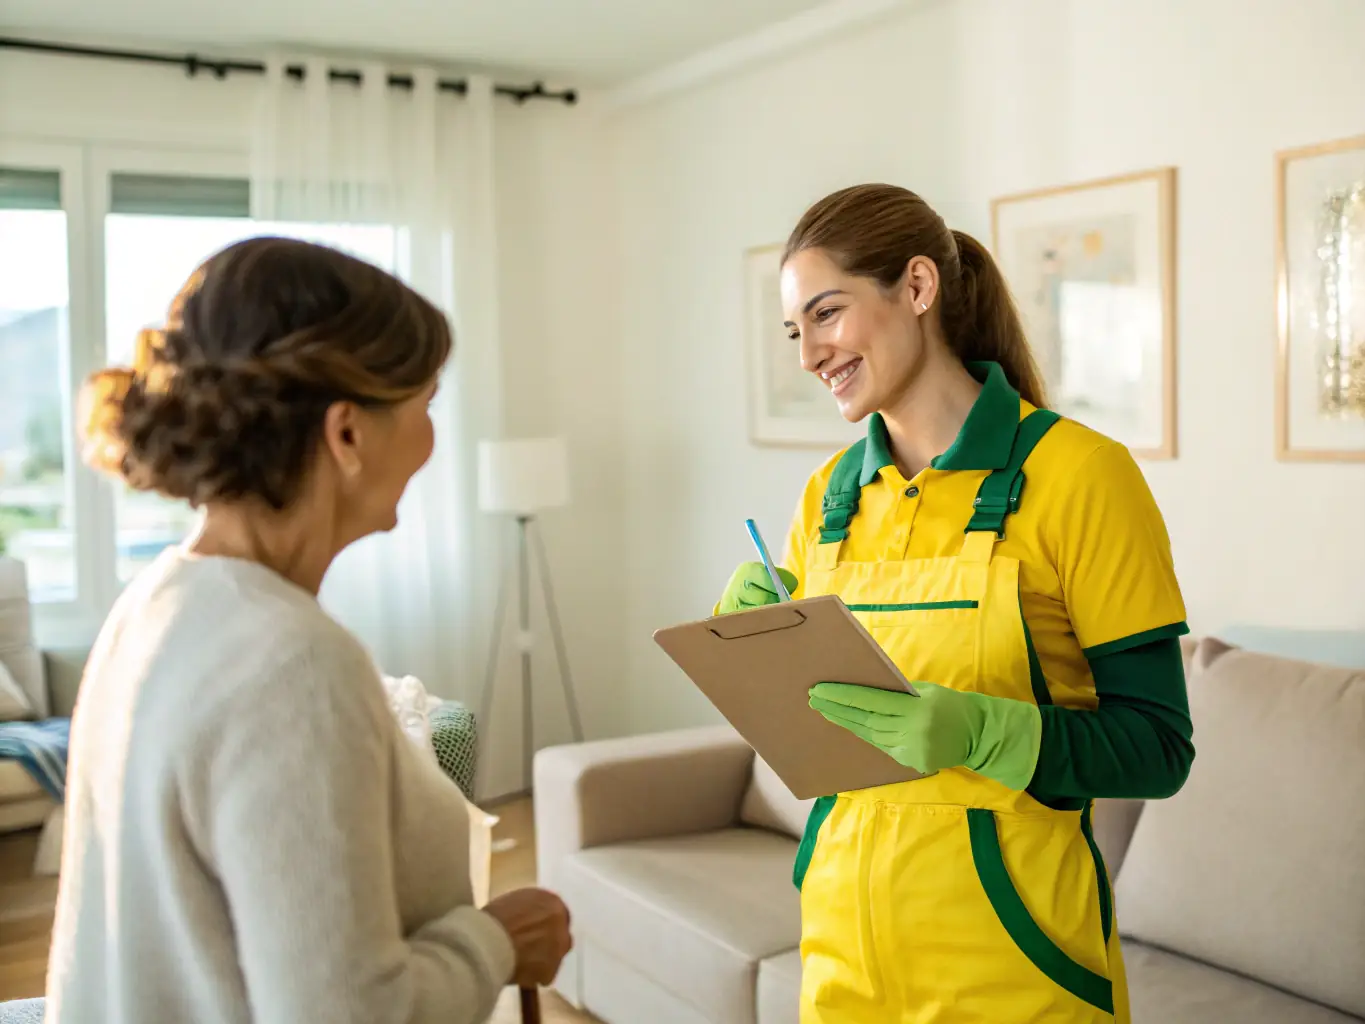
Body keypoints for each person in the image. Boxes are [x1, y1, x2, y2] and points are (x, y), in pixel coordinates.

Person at [47, 237, 572, 1023]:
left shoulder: (152, 603)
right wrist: (494, 942)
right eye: (426, 405)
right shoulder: (293, 664)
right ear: (348, 434)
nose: (433, 440)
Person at [715, 185, 1194, 1023]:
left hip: (1012, 960)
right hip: (842, 953)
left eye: (826, 314)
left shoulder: (1080, 476)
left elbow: (1157, 747)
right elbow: (809, 729)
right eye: (797, 330)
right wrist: (751, 643)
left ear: (918, 288)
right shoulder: (828, 496)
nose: (808, 354)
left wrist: (982, 733)